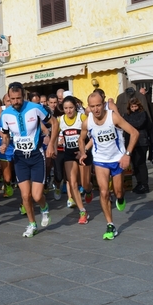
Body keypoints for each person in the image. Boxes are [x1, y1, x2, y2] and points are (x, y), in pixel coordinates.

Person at [0, 82, 58, 238]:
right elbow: (5, 134)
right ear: (8, 98)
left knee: (37, 196)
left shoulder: (35, 108)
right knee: (25, 196)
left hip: (37, 156)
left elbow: (54, 123)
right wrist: (4, 144)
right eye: (13, 99)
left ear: (23, 96)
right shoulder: (5, 115)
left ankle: (44, 209)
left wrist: (51, 144)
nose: (16, 101)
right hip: (20, 158)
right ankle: (32, 224)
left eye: (19, 98)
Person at [78, 92, 138, 240]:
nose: (96, 109)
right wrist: (83, 152)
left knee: (118, 191)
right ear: (88, 107)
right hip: (100, 160)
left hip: (117, 158)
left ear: (103, 103)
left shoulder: (113, 117)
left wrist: (127, 155)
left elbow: (134, 133)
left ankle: (121, 197)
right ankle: (110, 225)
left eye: (98, 105)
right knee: (104, 192)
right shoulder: (87, 122)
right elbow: (81, 138)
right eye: (92, 106)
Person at [56, 96, 91, 224]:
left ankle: (88, 189)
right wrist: (53, 146)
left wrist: (84, 151)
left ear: (75, 107)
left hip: (83, 153)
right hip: (69, 154)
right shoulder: (61, 120)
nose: (69, 111)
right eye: (66, 108)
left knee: (85, 183)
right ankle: (82, 211)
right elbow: (54, 134)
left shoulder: (82, 118)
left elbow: (93, 136)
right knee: (73, 183)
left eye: (71, 107)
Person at [123, 97, 150, 194]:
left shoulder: (143, 114)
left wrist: (128, 125)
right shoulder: (126, 115)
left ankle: (144, 184)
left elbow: (139, 124)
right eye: (132, 107)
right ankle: (139, 183)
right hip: (130, 142)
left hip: (141, 142)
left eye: (135, 106)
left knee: (141, 163)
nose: (134, 108)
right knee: (135, 164)